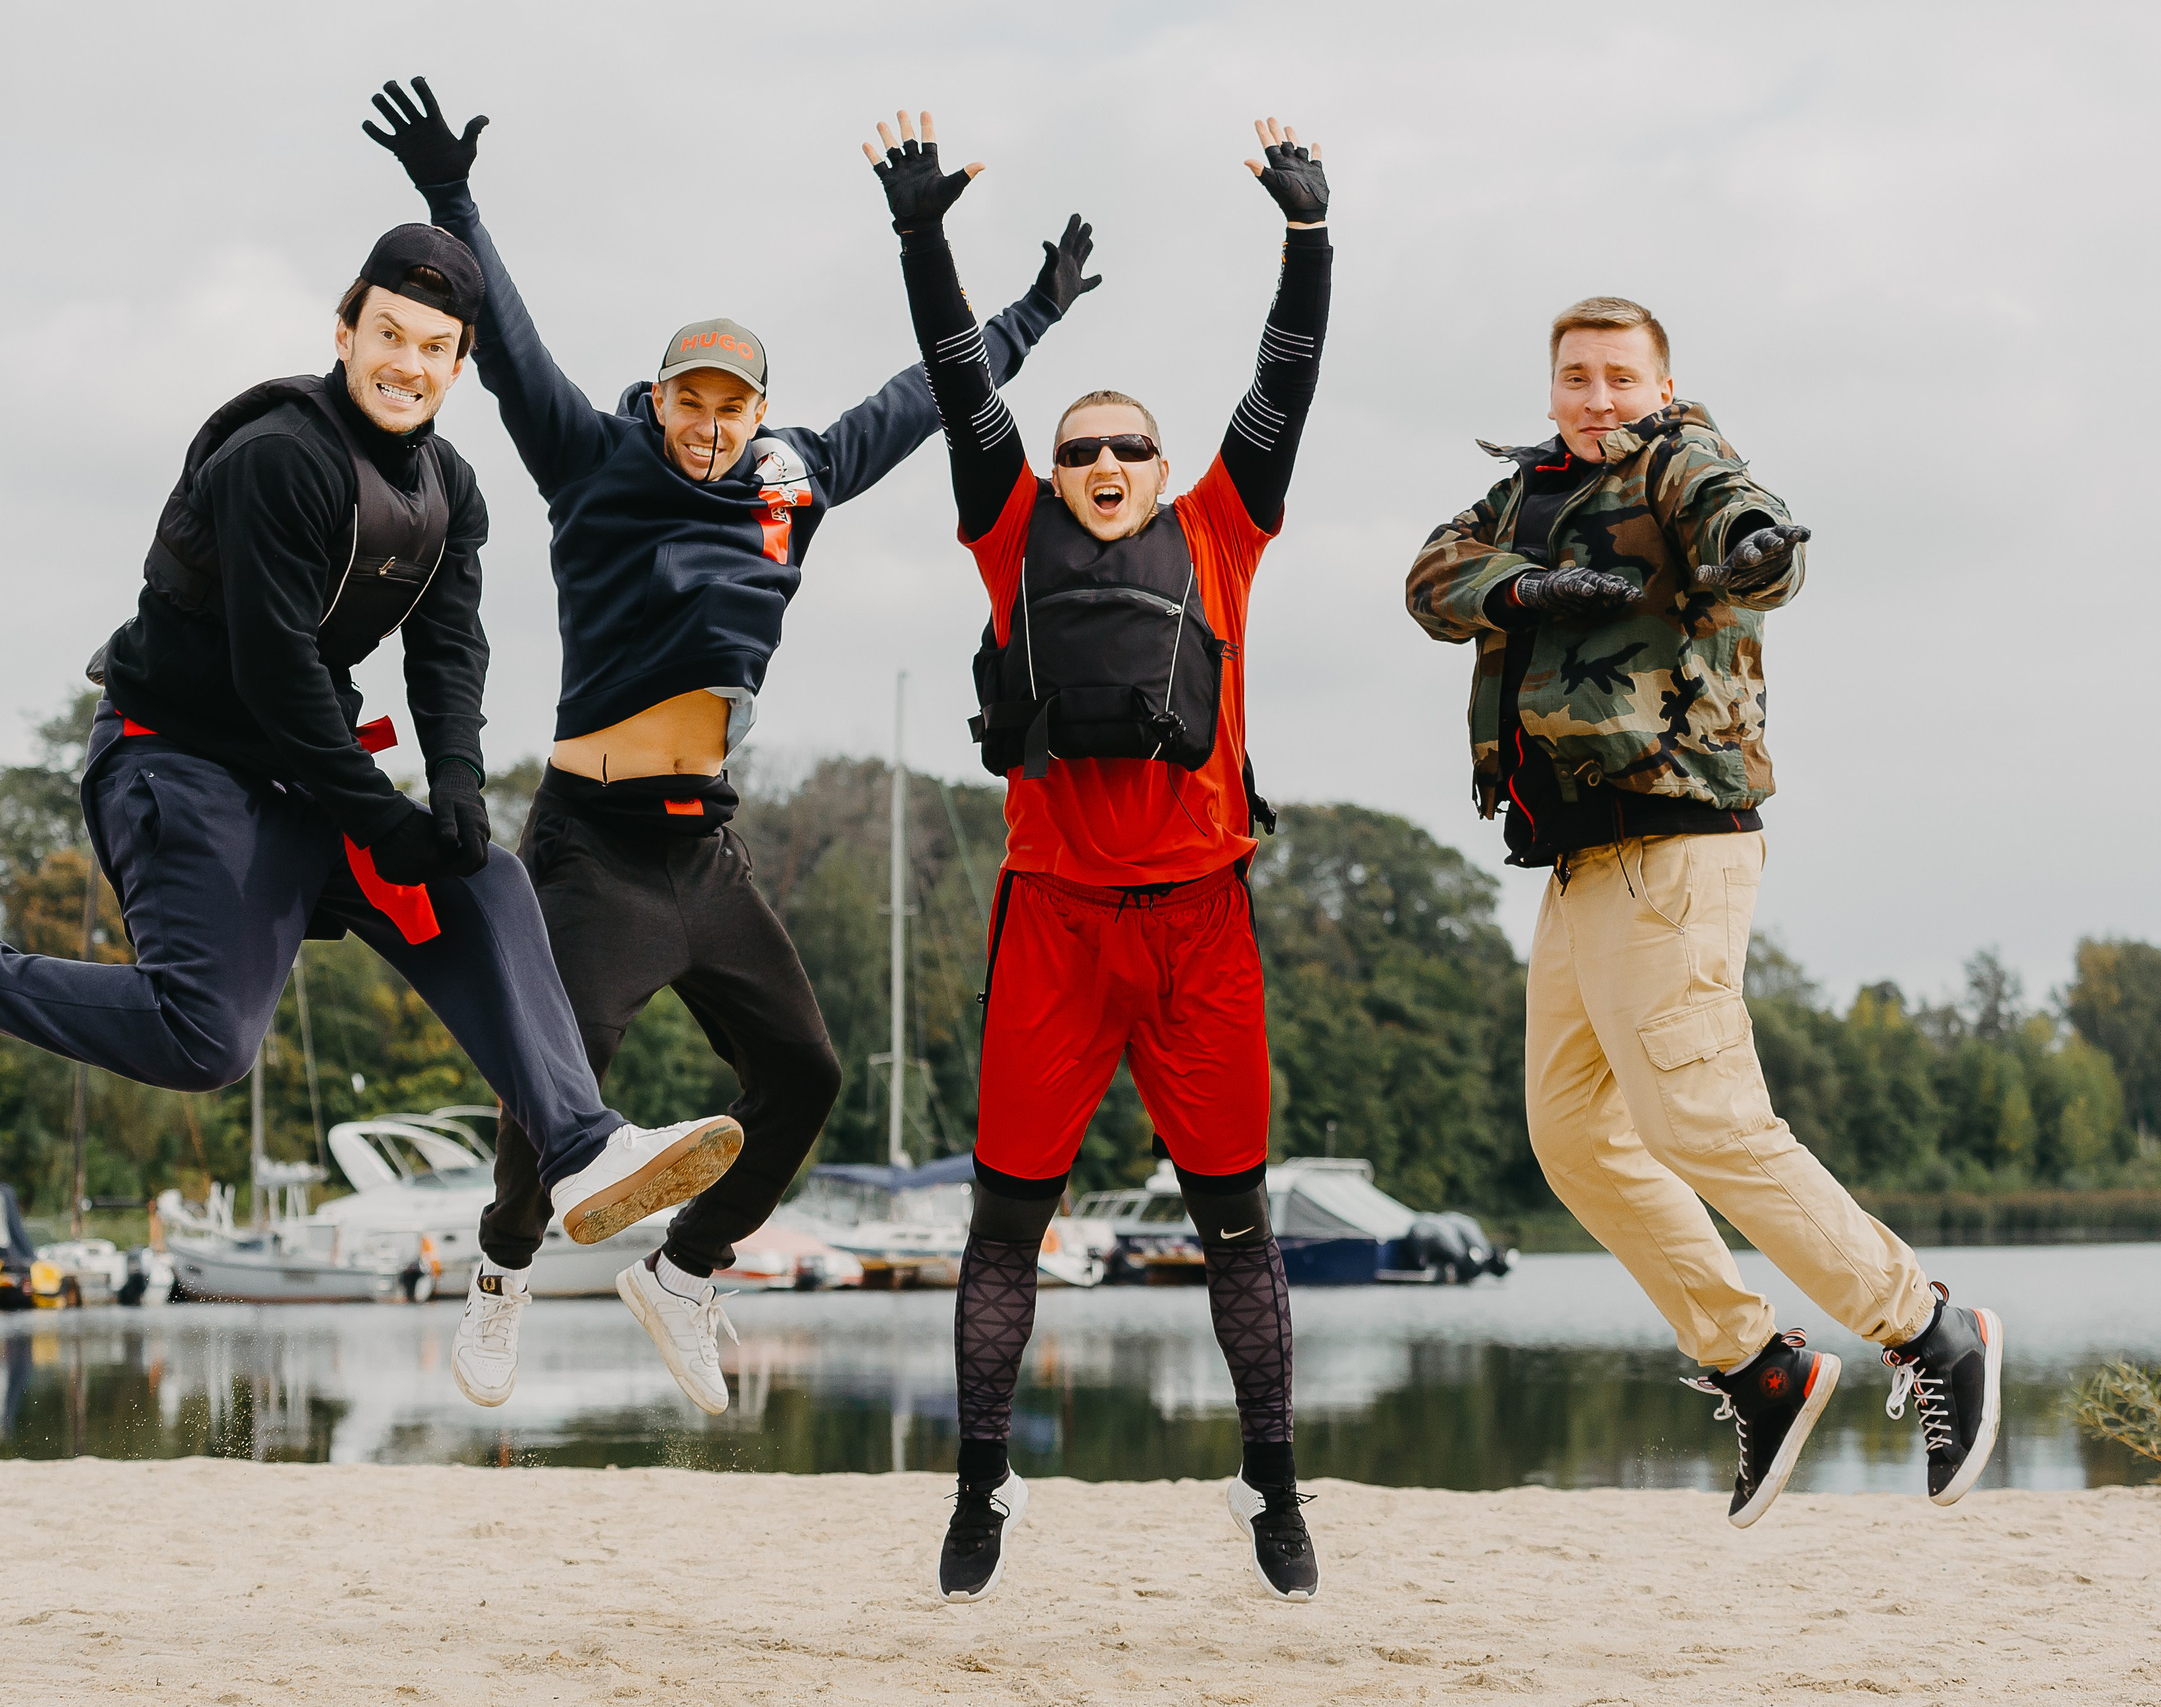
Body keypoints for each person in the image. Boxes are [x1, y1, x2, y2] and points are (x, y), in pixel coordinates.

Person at [359, 79, 1097, 1415]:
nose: (710, 423)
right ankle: (502, 1267)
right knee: (553, 1099)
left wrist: (1038, 307)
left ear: (759, 407)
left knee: (805, 1074)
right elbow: (512, 346)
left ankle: (689, 1270)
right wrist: (451, 199)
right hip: (588, 853)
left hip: (708, 854)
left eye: (731, 404)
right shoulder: (591, 457)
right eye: (691, 400)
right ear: (661, 395)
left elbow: (930, 390)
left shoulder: (797, 474)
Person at [0, 222, 743, 1254]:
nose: (407, 364)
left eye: (433, 348)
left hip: (300, 782)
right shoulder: (280, 459)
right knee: (204, 1043)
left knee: (486, 883)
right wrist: (380, 818)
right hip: (178, 764)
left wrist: (458, 787)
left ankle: (580, 1148)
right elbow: (275, 670)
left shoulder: (450, 490)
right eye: (388, 334)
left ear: (460, 365)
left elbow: (448, 648)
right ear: (344, 333)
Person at [1404, 295, 2003, 1527]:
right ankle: (1758, 1366)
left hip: (1674, 841)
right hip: (1576, 866)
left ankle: (1929, 1330)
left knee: (1704, 1125)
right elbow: (1430, 577)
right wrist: (1537, 589)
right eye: (1576, 377)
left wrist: (1758, 554)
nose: (1596, 397)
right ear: (1553, 388)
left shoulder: (1681, 462)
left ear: (1659, 384)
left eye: (1619, 376)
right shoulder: (1521, 499)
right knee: (1572, 1139)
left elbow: (1751, 527)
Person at [871, 109, 1331, 1603]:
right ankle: (980, 1477)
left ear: (1158, 458)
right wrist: (922, 237)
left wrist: (1308, 238)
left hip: (1201, 921)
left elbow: (1286, 380)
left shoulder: (1222, 523)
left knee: (1236, 1222)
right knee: (1007, 1218)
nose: (1108, 461)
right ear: (1056, 470)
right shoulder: (1008, 528)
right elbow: (957, 383)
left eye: (1130, 442)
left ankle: (1270, 1477)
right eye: (1084, 447)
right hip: (1056, 923)